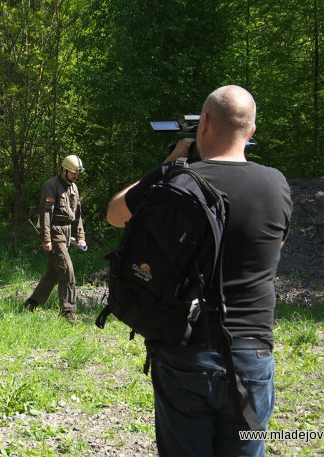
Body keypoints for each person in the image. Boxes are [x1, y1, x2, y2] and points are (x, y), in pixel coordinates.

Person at [106, 85, 292, 457]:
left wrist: (169, 165)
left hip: (185, 351)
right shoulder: (277, 185)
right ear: (251, 131)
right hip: (251, 354)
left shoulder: (176, 182)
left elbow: (115, 214)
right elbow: (275, 247)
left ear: (203, 123)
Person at [23, 155, 86, 323]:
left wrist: (80, 235)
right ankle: (68, 312)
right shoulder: (51, 186)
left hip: (66, 232)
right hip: (54, 231)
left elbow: (77, 214)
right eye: (72, 173)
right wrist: (46, 238)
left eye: (77, 173)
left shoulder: (74, 187)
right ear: (63, 170)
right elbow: (45, 213)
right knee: (67, 270)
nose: (75, 176)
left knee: (53, 274)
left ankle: (31, 304)